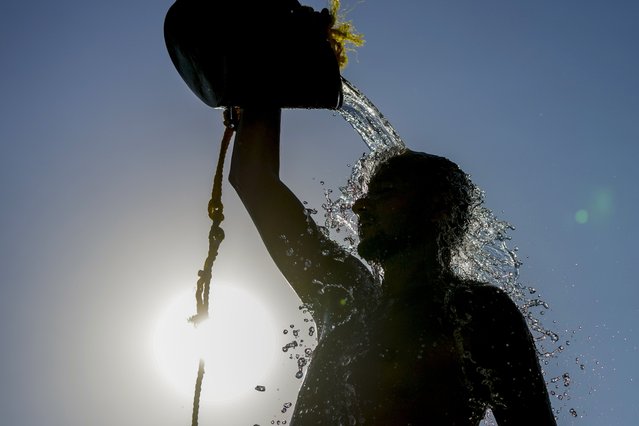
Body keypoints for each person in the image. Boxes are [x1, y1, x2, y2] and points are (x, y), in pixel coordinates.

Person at [229, 108, 556, 425]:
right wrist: (261, 89)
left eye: (385, 194)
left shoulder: (476, 313)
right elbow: (254, 180)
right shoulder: (344, 294)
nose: (360, 206)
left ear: (438, 209)